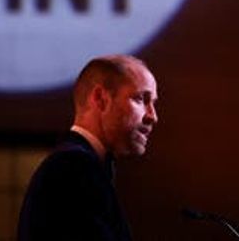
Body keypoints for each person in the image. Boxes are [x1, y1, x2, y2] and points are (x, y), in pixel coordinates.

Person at [17, 55, 159, 241]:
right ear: (100, 98)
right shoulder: (73, 167)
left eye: (154, 103)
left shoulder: (81, 165)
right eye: (141, 99)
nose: (153, 116)